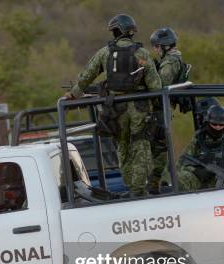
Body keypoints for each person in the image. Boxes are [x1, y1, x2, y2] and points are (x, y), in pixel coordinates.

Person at [64, 14, 162, 197]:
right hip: (140, 108)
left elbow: (87, 75)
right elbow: (156, 86)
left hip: (117, 108)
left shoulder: (105, 52)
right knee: (141, 146)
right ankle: (138, 190)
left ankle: (131, 188)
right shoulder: (142, 53)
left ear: (116, 31)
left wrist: (73, 94)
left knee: (122, 146)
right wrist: (157, 104)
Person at [148, 27, 189, 192]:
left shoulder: (171, 61)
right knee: (158, 148)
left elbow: (161, 84)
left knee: (157, 147)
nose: (155, 50)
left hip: (160, 110)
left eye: (157, 46)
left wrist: (148, 72)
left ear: (164, 46)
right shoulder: (171, 59)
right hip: (161, 110)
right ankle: (156, 181)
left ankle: (158, 182)